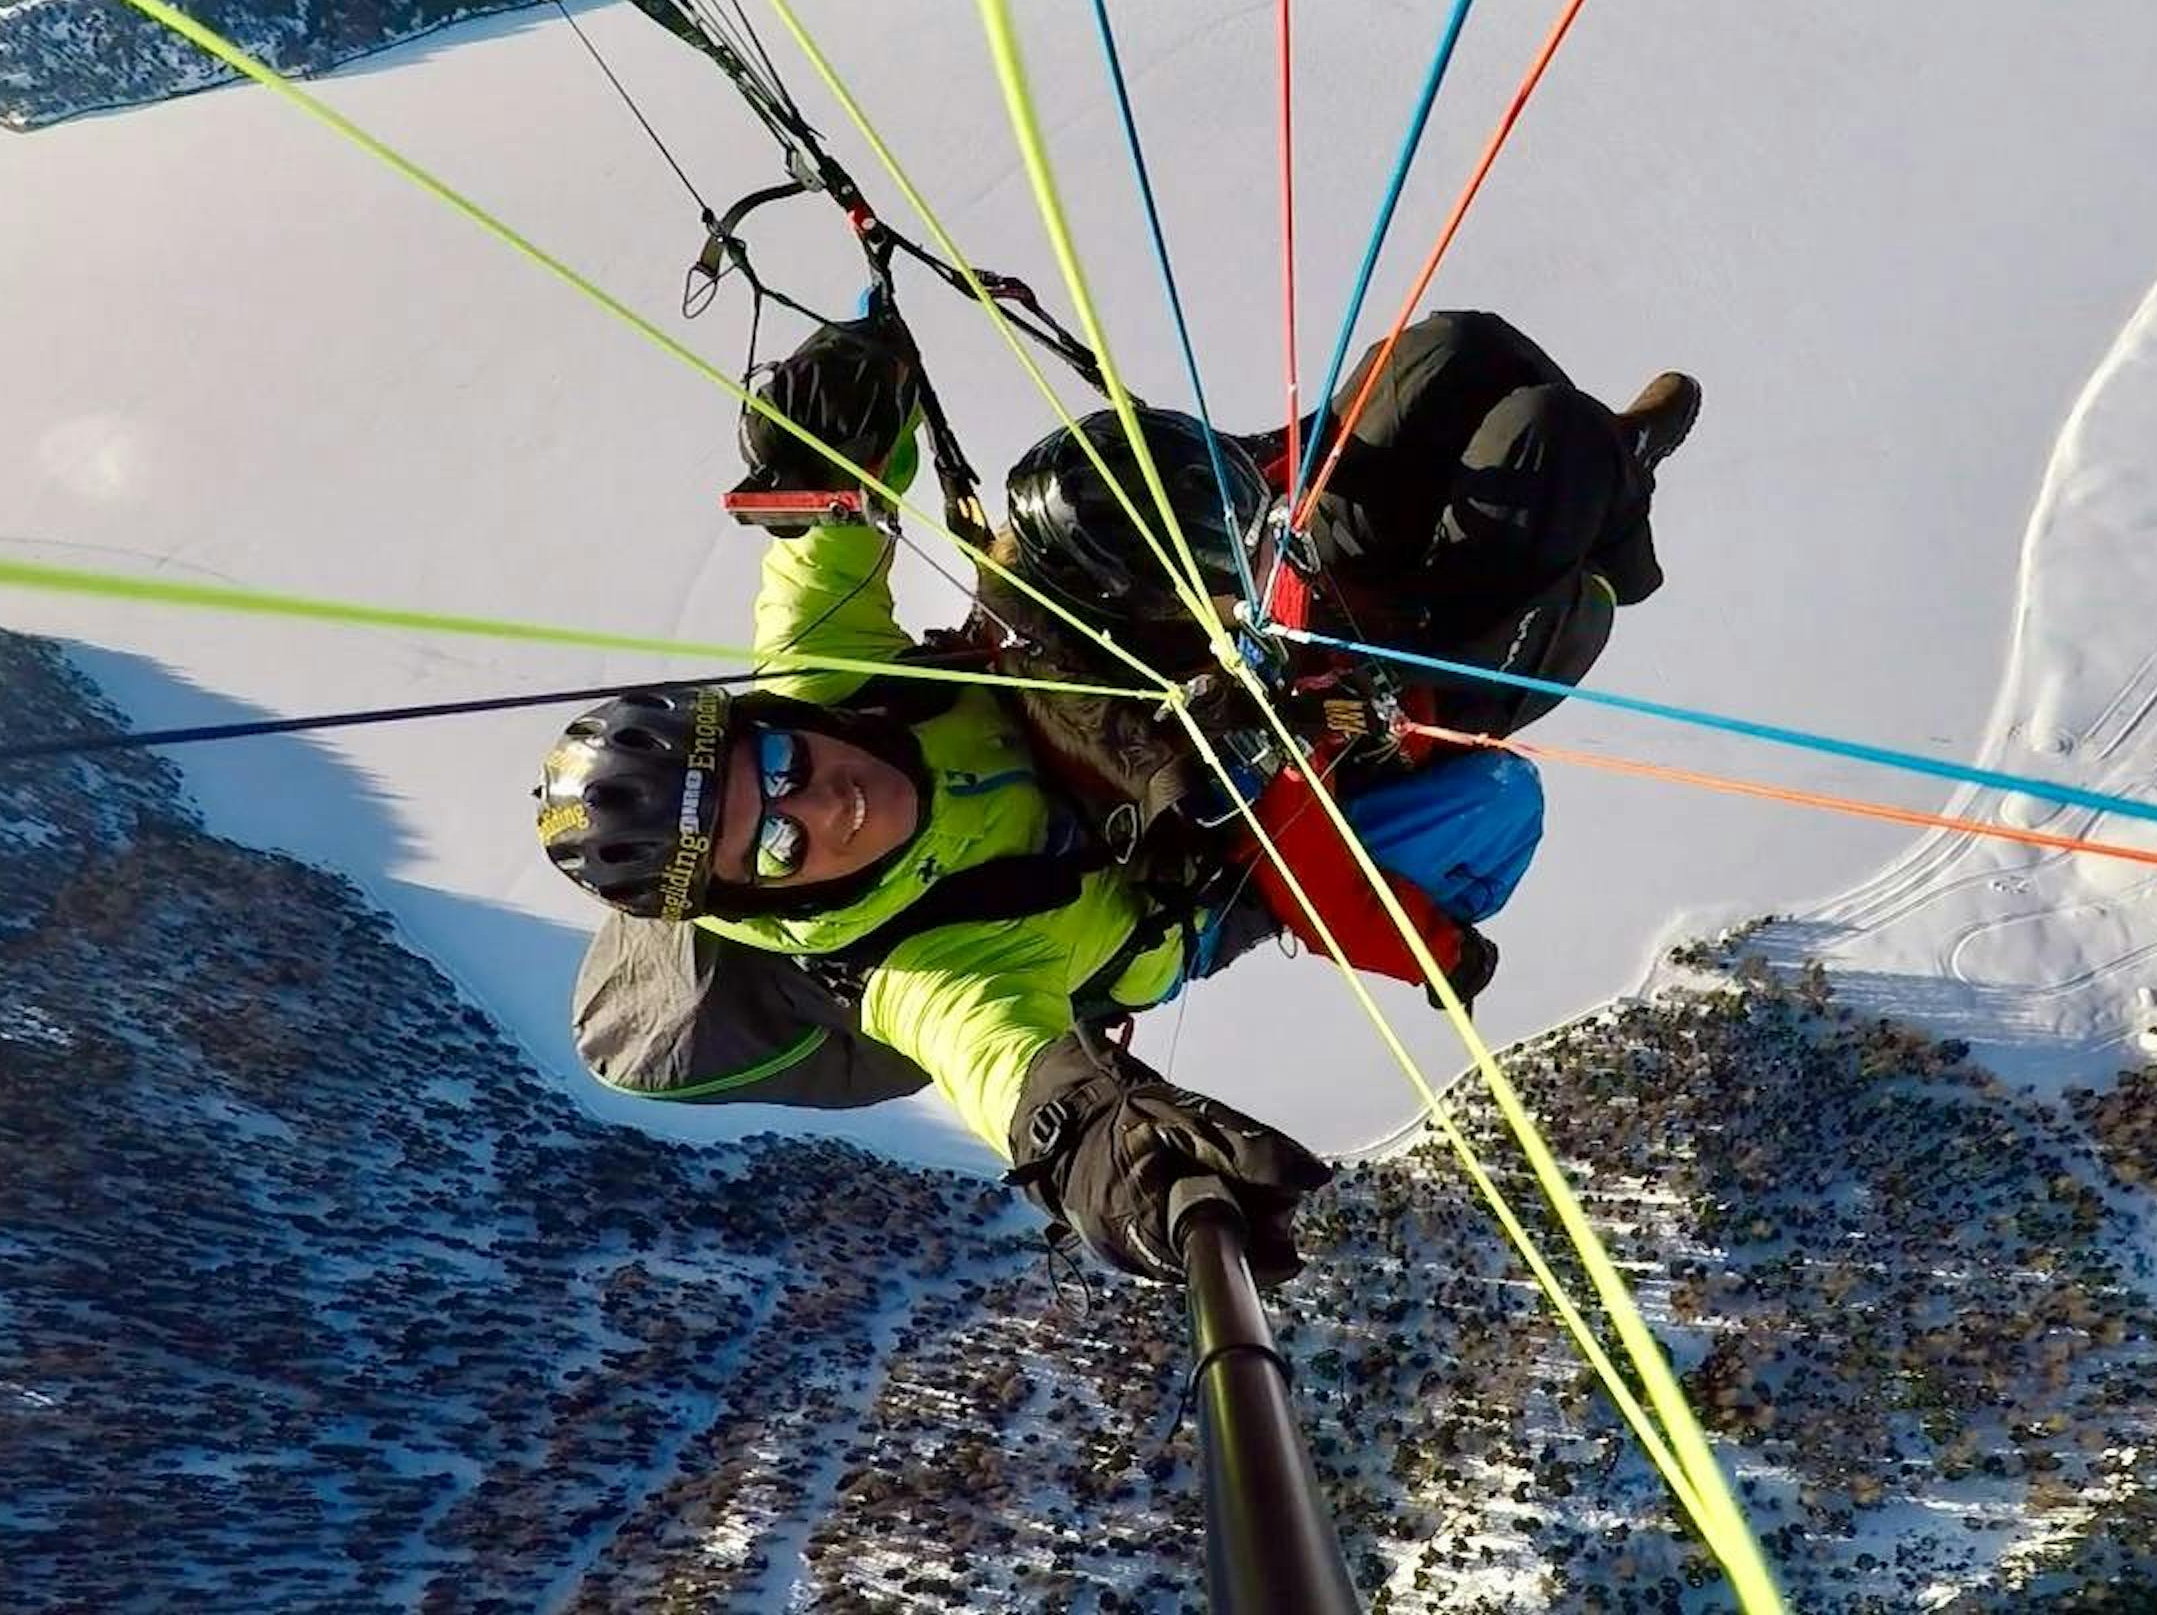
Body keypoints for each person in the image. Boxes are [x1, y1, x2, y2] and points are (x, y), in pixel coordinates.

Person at [553, 313, 1540, 1284]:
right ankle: (1510, 602)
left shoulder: (823, 679)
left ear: (760, 717)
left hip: (1091, 701)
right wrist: (1115, 1161)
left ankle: (1290, 500)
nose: (815, 806)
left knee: (1451, 357)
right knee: (1496, 791)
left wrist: (840, 409)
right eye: (770, 850)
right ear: (759, 901)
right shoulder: (920, 972)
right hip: (1184, 874)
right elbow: (1012, 1078)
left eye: (774, 769)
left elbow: (821, 532)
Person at [1256, 309, 1698, 737]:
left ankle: (1607, 472)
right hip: (1432, 679)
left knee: (1457, 349)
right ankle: (1616, 491)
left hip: (1305, 579)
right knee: (1554, 431)